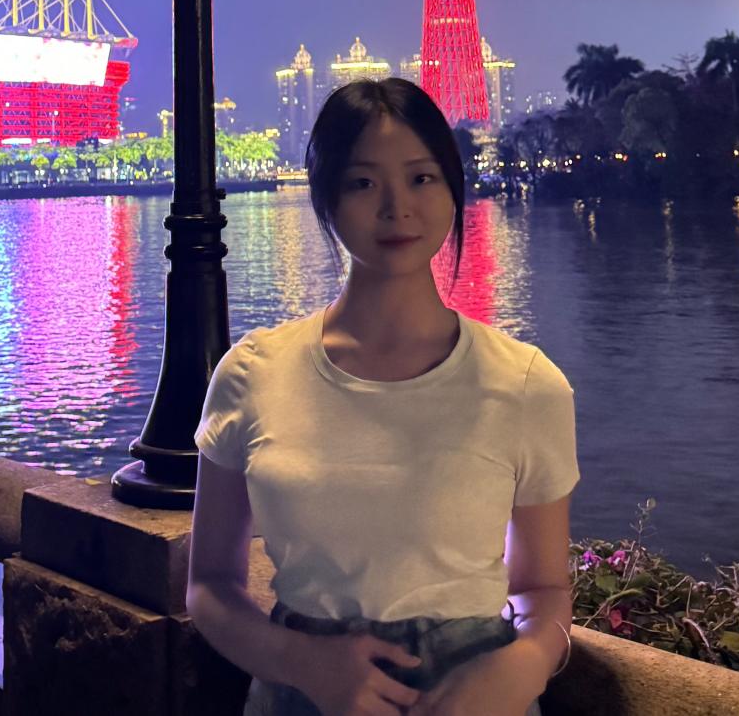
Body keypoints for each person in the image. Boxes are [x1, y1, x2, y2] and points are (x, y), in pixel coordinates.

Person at [187, 78, 580, 716]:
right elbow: (209, 585)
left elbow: (541, 587)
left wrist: (524, 665)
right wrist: (304, 662)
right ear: (327, 198)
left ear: (453, 189)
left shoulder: (525, 384)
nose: (398, 207)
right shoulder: (254, 374)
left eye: (422, 178)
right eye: (363, 183)